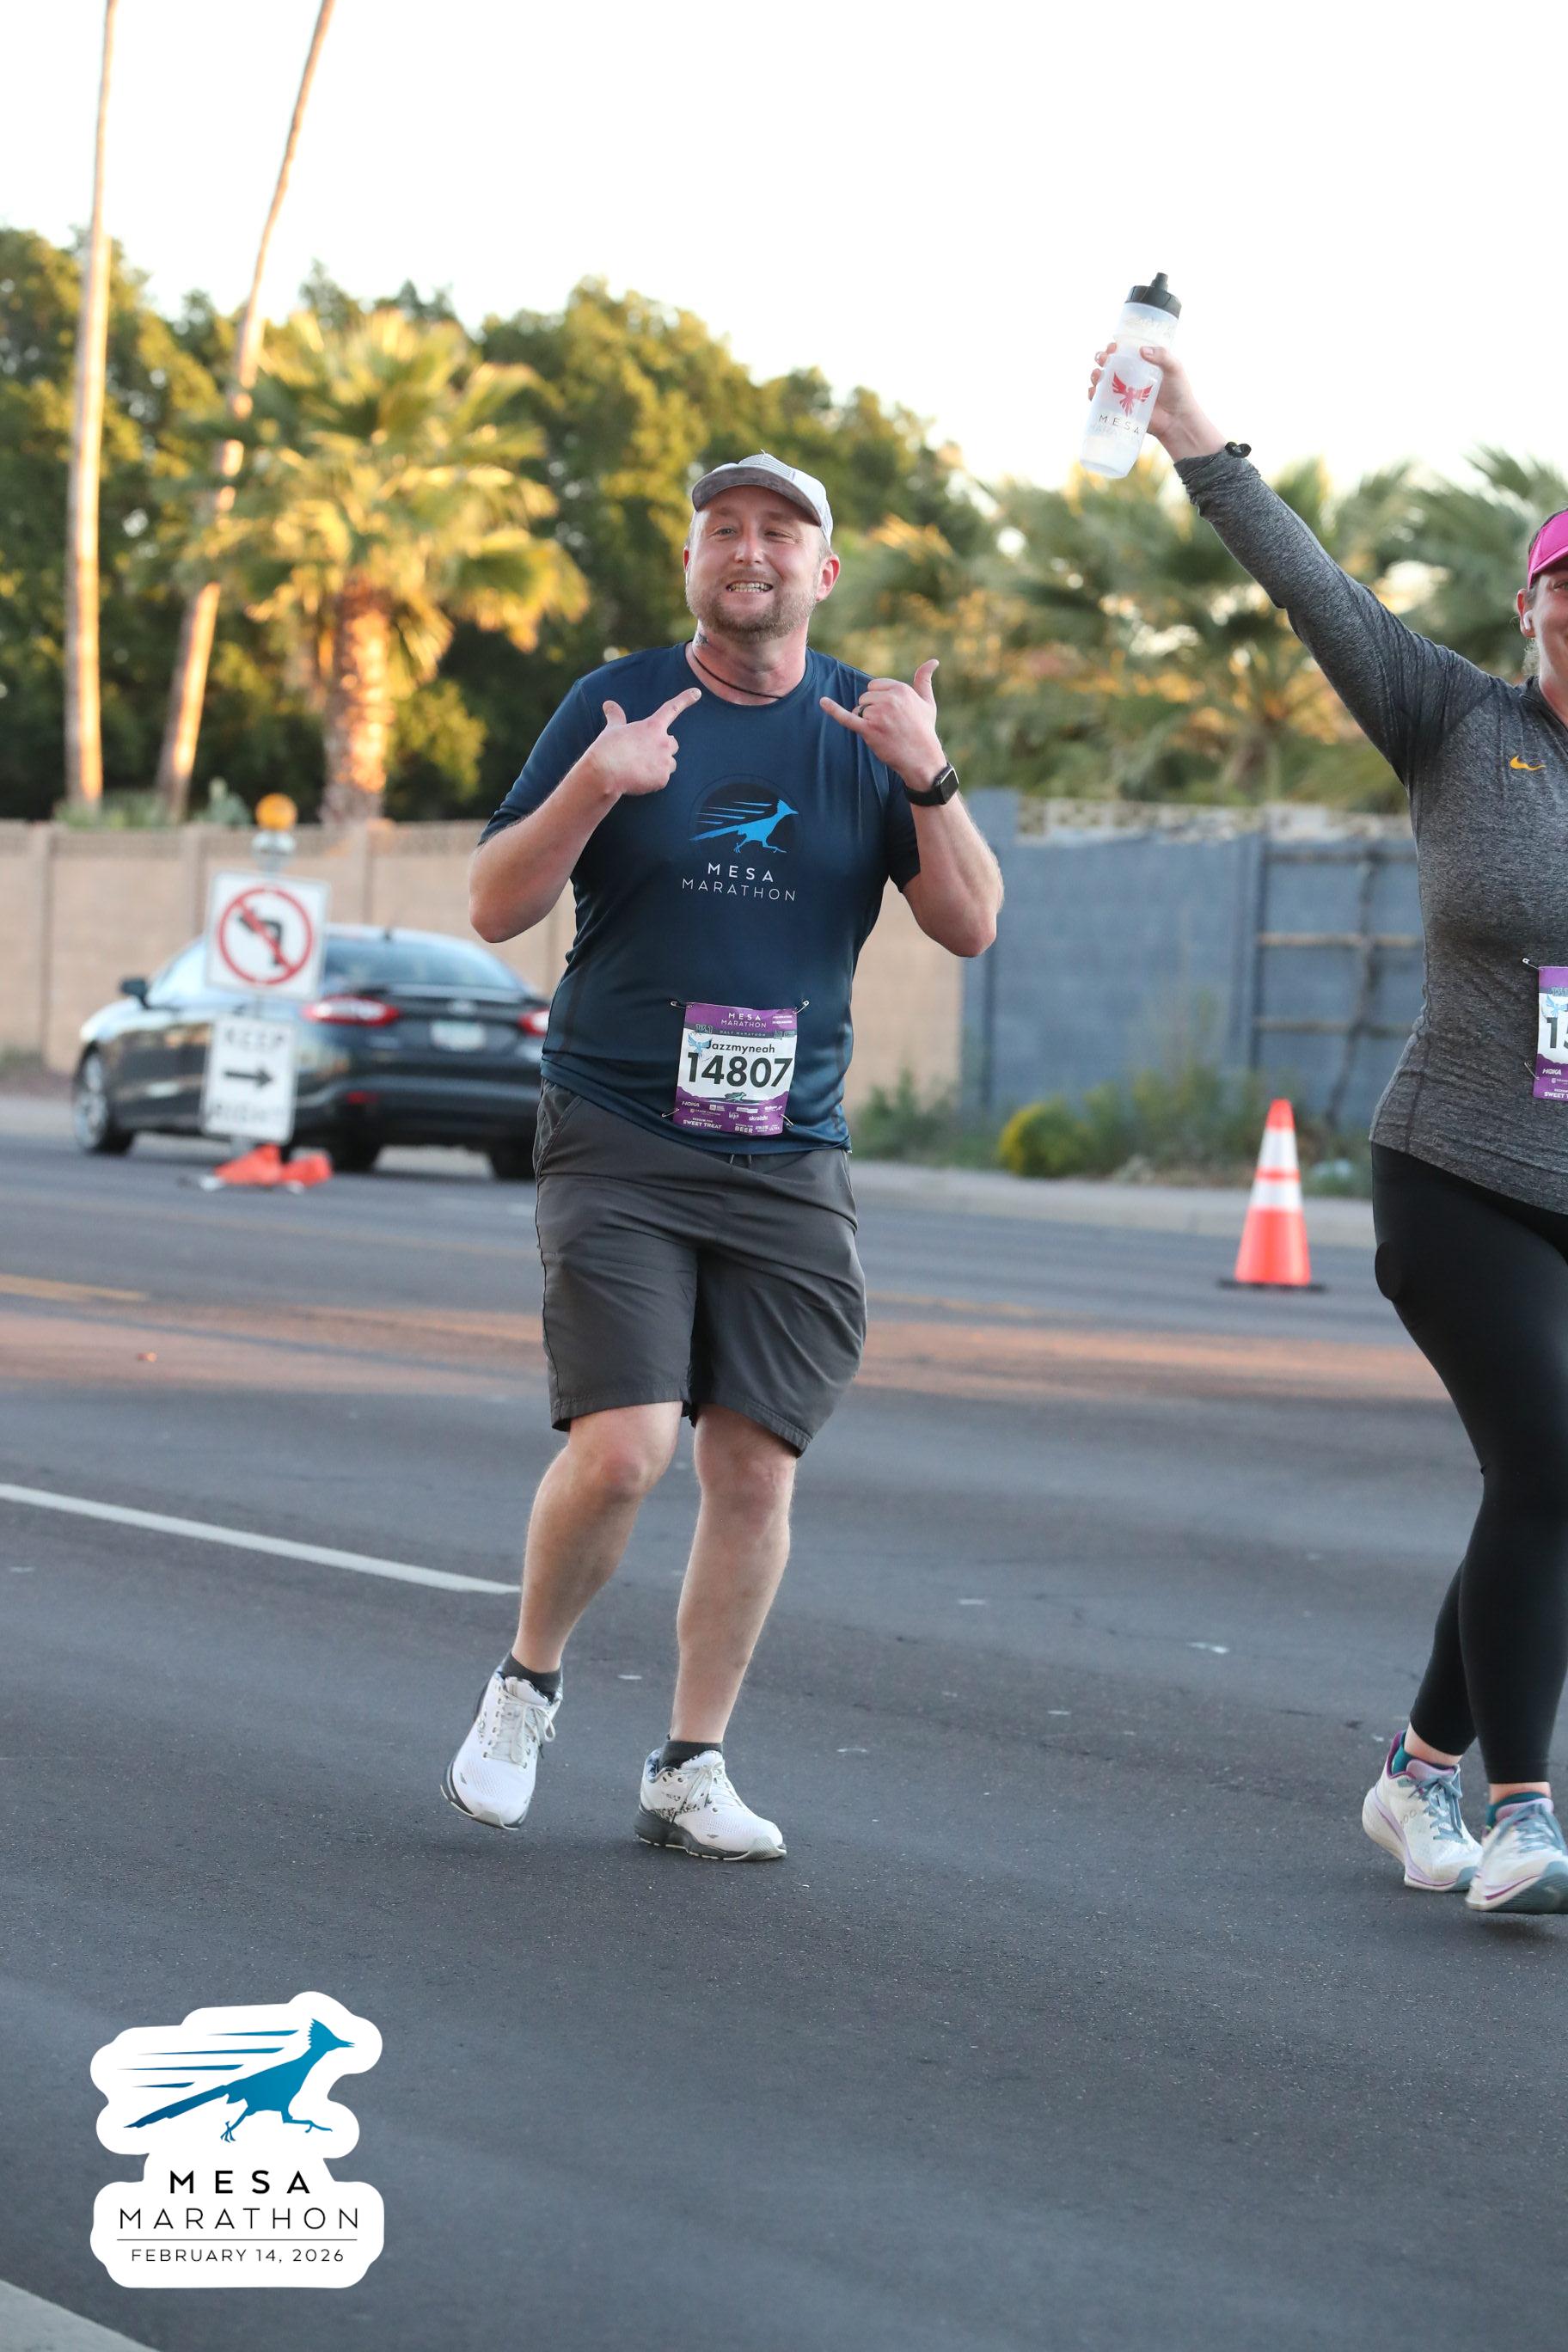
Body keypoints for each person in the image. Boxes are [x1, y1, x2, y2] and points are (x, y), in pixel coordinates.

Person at [443, 452, 1002, 1860]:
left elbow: (971, 925)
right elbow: (495, 903)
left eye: (779, 533)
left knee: (755, 1473)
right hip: (621, 1128)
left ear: (823, 572)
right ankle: (526, 1686)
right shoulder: (618, 701)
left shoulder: (870, 726)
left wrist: (929, 775)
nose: (750, 551)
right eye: (724, 530)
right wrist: (596, 782)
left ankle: (690, 1766)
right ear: (692, 563)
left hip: (789, 1149)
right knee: (625, 1451)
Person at [1089, 337, 1568, 1918]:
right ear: (1530, 608)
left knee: (1541, 1485)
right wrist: (1195, 437)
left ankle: (1416, 1774)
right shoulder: (1457, 721)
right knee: (1552, 1461)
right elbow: (1315, 591)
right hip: (1460, 1171)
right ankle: (1522, 1813)